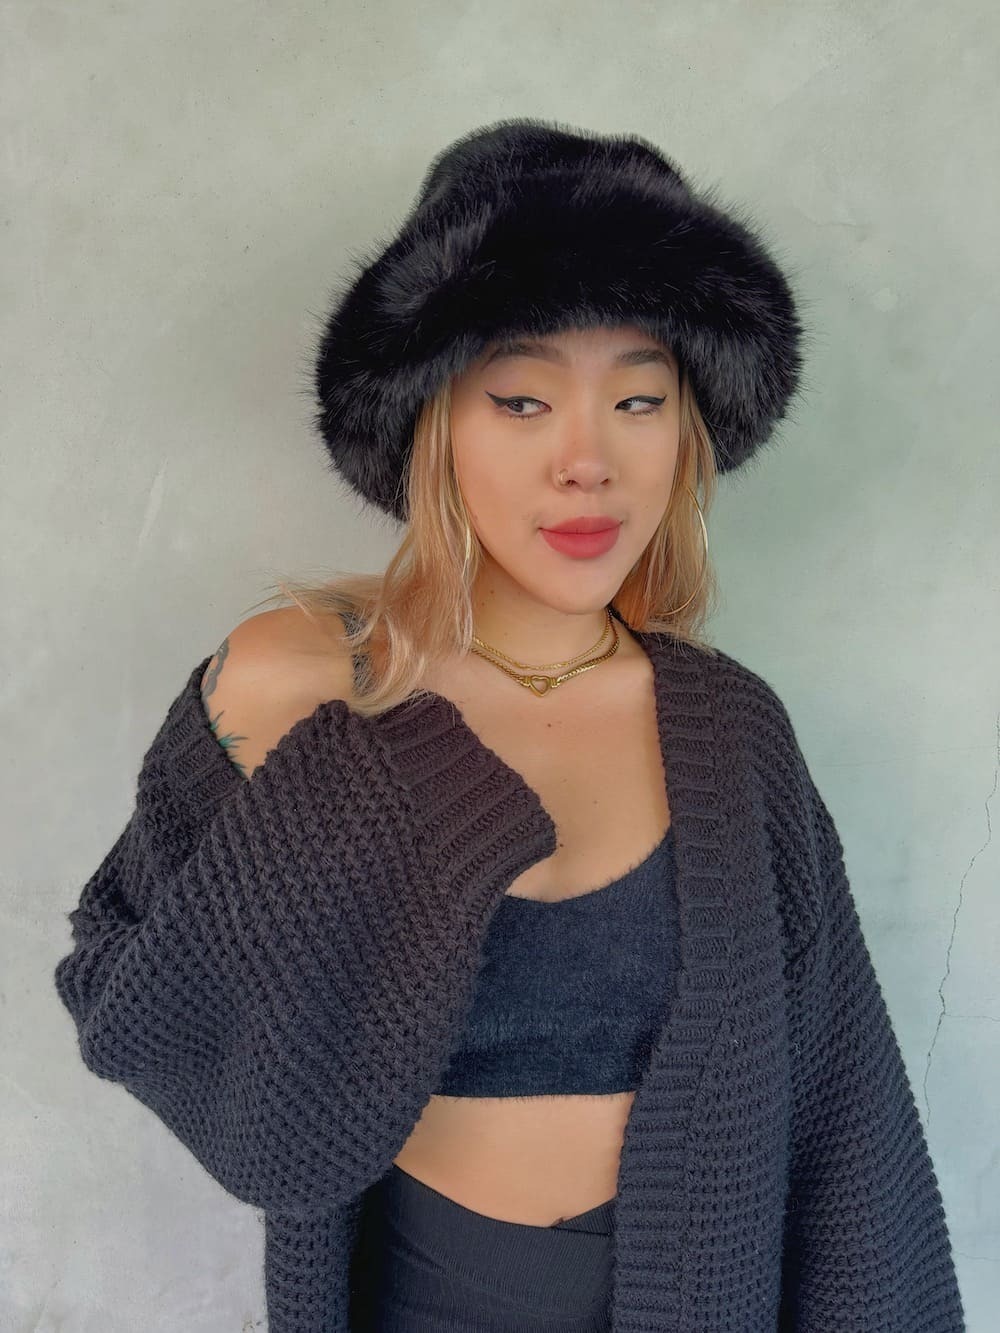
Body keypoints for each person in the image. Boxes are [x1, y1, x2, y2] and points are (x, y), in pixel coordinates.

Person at [54, 117, 965, 1331]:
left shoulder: (732, 730)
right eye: (523, 399)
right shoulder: (308, 686)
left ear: (685, 434)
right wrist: (355, 751)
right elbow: (160, 1032)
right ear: (436, 426)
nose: (588, 460)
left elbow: (845, 1121)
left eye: (638, 398)